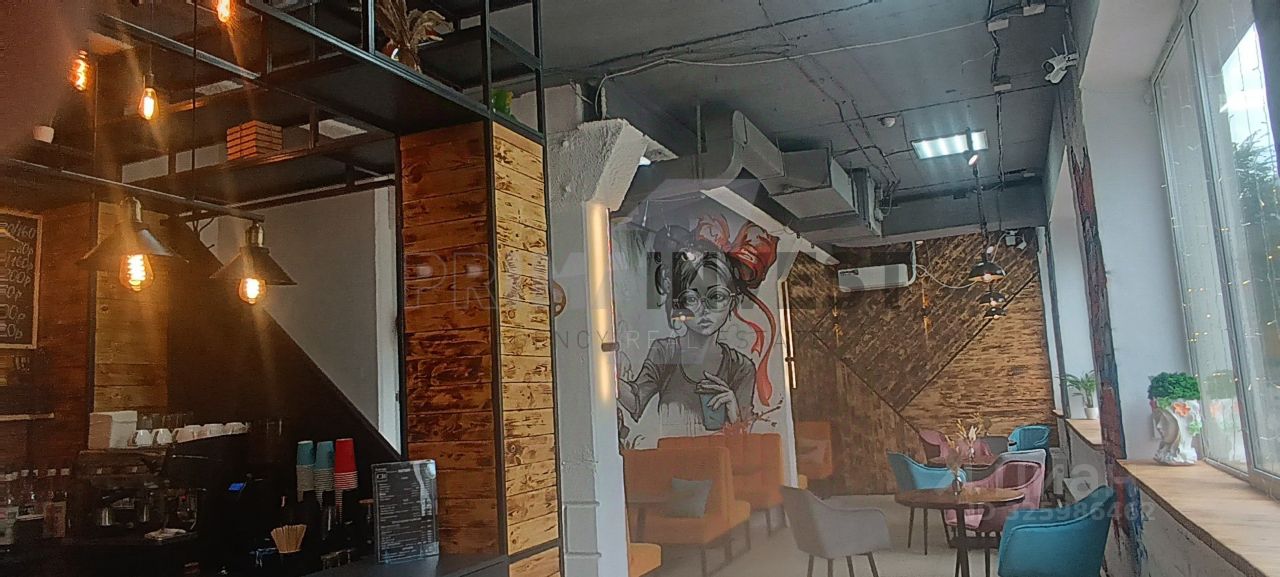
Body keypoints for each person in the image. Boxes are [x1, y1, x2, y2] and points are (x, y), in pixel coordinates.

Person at [617, 215, 778, 436]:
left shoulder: (740, 367)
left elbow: (748, 440)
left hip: (721, 455)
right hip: (670, 454)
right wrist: (606, 373)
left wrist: (733, 412)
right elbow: (636, 402)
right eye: (691, 299)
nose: (704, 309)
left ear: (732, 301)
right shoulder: (665, 352)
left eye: (716, 297)